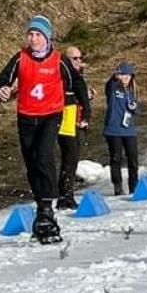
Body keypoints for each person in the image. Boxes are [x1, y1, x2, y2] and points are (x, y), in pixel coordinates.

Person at [0, 15, 73, 243]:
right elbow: (0, 82)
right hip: (27, 116)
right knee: (31, 162)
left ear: (47, 37)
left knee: (44, 155)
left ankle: (47, 206)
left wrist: (79, 104)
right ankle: (41, 207)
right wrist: (2, 90)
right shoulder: (20, 58)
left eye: (38, 35)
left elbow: (75, 83)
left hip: (51, 114)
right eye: (30, 34)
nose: (33, 39)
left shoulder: (58, 60)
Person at [55, 46, 92, 211]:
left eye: (80, 58)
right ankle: (65, 196)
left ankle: (66, 193)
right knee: (69, 157)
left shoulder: (79, 75)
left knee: (74, 158)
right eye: (74, 58)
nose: (79, 61)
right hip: (66, 121)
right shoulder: (63, 75)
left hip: (78, 122)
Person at [102, 62, 140, 198]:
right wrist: (115, 77)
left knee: (133, 158)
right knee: (116, 158)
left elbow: (134, 109)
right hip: (113, 130)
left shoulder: (132, 91)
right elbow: (110, 84)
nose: (125, 78)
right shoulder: (113, 87)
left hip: (129, 130)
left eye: (127, 75)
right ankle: (117, 186)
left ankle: (134, 187)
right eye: (122, 74)